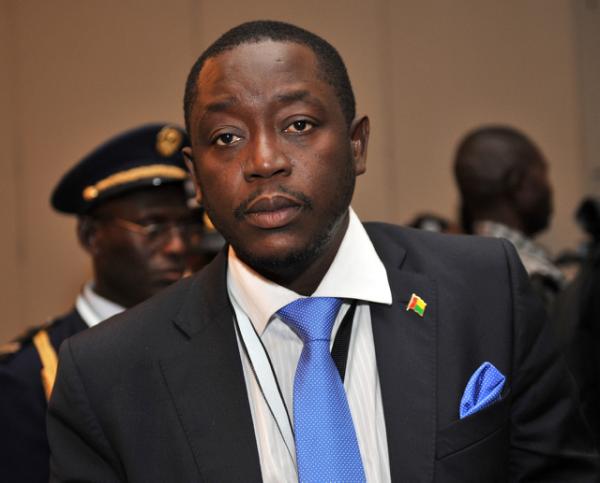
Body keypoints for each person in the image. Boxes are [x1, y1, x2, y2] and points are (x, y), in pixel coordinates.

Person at [47, 21, 599, 481]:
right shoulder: (107, 375)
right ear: (195, 176)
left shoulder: (484, 290)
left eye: (298, 124)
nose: (264, 160)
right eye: (227, 137)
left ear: (357, 145)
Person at [0, 123, 209, 483]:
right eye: (153, 226)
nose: (177, 246)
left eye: (187, 226)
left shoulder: (210, 341)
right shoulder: (28, 377)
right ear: (90, 235)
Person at [453, 125, 565, 310]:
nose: (549, 188)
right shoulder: (532, 279)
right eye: (543, 174)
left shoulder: (459, 269)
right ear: (519, 184)